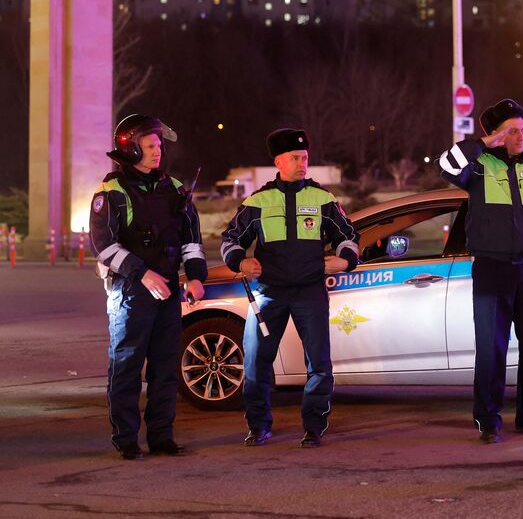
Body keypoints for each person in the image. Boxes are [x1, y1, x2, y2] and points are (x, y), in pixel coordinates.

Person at [437, 98, 523, 444]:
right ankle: (488, 421)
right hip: (492, 269)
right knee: (491, 348)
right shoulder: (478, 165)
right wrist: (483, 143)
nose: (520, 136)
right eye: (512, 130)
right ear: (497, 134)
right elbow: (444, 164)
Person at [220, 128, 359, 449]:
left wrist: (345, 259)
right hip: (269, 294)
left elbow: (349, 237)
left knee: (319, 365)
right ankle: (258, 427)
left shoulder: (323, 199)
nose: (302, 163)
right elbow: (229, 241)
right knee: (256, 363)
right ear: (278, 161)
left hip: (310, 292)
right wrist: (240, 261)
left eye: (305, 157)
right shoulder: (257, 201)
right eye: (295, 158)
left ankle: (313, 427)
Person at [90, 114, 207, 460]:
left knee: (165, 366)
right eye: (151, 145)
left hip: (169, 290)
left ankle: (161, 437)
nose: (158, 151)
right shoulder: (110, 192)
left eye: (159, 145)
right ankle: (126, 439)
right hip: (130, 292)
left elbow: (192, 241)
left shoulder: (173, 189)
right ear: (130, 147)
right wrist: (142, 273)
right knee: (126, 366)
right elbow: (103, 245)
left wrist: (197, 276)